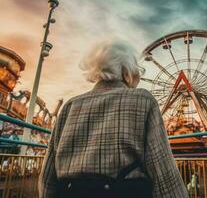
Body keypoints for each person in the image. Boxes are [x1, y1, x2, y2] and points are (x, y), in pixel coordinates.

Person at [38, 40, 189, 198]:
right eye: (136, 70)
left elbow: (48, 175)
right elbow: (162, 168)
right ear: (125, 72)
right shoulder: (143, 100)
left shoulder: (70, 105)